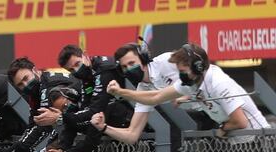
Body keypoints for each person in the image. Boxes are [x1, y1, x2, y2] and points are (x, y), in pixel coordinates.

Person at [106, 43, 269, 134]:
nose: (180, 75)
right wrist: (103, 127)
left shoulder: (217, 82)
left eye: (182, 71)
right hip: (224, 127)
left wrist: (222, 128)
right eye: (124, 67)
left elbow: (240, 121)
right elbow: (156, 97)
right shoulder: (186, 85)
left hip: (255, 136)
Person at [88, 42, 179, 144]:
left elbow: (157, 96)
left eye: (132, 63)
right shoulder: (142, 91)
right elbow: (131, 135)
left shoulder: (166, 60)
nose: (129, 69)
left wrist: (120, 92)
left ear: (143, 59)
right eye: (124, 67)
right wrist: (103, 127)